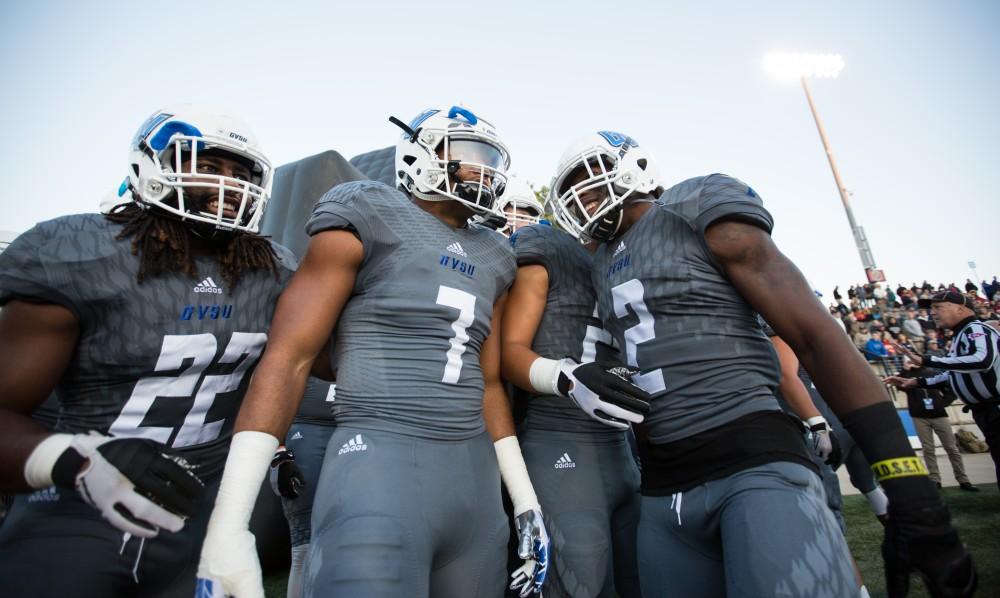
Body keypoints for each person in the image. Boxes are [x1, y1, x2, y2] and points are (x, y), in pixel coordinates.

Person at [549, 130, 976, 597]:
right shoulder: (598, 260)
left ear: (636, 166)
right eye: (573, 186)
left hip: (751, 461)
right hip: (662, 485)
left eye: (589, 179)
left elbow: (813, 335)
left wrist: (912, 496)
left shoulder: (692, 204)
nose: (582, 196)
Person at [196, 106, 551, 598]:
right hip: (380, 463)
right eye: (469, 156)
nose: (483, 170)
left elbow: (489, 383)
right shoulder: (367, 207)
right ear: (421, 154)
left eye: (489, 158)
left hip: (474, 479)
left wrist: (525, 500)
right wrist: (231, 522)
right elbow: (290, 355)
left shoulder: (496, 252)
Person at [0, 105, 297, 597]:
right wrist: (75, 458)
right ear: (152, 165)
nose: (231, 185)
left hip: (203, 509)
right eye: (209, 165)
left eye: (242, 173)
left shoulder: (272, 270)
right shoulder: (84, 252)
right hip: (81, 504)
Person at [501, 214, 650, 597]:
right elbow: (507, 353)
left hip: (621, 449)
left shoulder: (625, 256)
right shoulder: (548, 246)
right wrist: (565, 377)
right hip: (559, 443)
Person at [886, 289, 1000, 492]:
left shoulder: (976, 329)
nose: (933, 313)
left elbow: (982, 360)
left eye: (938, 307)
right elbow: (956, 374)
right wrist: (917, 383)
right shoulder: (960, 336)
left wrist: (927, 360)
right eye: (932, 309)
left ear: (961, 308)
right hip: (986, 411)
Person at [268, 376, 336, 598]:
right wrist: (279, 453)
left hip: (364, 427)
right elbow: (271, 381)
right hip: (308, 427)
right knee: (304, 543)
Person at [897, 360, 977, 491]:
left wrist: (942, 403)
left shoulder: (932, 372)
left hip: (939, 415)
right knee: (928, 449)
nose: (912, 362)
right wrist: (905, 370)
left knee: (952, 448)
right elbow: (900, 386)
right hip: (919, 416)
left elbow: (951, 390)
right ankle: (935, 480)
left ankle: (963, 479)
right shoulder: (907, 375)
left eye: (914, 359)